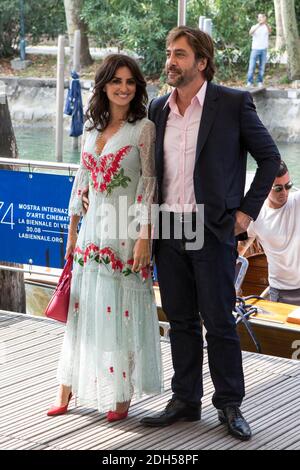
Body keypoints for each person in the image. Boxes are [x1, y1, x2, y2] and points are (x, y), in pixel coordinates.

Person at [138, 26, 280, 441]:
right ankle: (185, 399)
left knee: (218, 321)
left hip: (212, 228)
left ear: (201, 61)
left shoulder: (232, 104)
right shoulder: (158, 108)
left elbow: (269, 159)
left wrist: (244, 215)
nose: (170, 60)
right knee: (179, 320)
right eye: (168, 52)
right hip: (168, 227)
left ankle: (229, 405)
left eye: (180, 54)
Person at [47, 54, 163, 421]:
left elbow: (149, 184)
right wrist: (70, 232)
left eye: (131, 82)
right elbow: (80, 183)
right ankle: (67, 387)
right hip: (90, 232)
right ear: (104, 86)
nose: (124, 88)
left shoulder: (143, 128)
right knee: (84, 309)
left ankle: (120, 395)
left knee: (120, 314)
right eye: (117, 81)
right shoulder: (92, 130)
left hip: (125, 232)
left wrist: (146, 236)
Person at [247, 161, 300, 306]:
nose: (284, 192)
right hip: (279, 292)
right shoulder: (255, 215)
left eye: (288, 186)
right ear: (265, 187)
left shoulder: (297, 201)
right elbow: (242, 244)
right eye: (278, 188)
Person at [246, 13, 271, 87]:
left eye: (262, 17)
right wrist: (259, 25)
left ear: (265, 18)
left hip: (264, 49)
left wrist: (265, 23)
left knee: (262, 67)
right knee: (252, 66)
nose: (260, 19)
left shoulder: (267, 26)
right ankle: (249, 82)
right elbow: (250, 33)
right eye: (259, 17)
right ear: (257, 19)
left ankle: (260, 82)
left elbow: (270, 31)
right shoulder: (254, 26)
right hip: (255, 49)